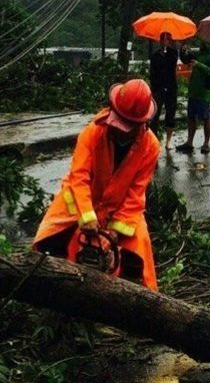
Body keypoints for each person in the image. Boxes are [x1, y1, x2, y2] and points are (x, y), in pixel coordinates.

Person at [33, 79, 161, 291]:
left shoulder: (150, 146)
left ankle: (131, 296)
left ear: (141, 124)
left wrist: (114, 231)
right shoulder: (93, 133)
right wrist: (87, 216)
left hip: (120, 209)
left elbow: (136, 193)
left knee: (136, 256)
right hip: (79, 199)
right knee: (51, 241)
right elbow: (79, 176)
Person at [175, 40, 210, 154]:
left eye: (203, 42)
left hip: (204, 92)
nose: (200, 44)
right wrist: (182, 50)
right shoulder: (198, 54)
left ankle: (206, 143)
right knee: (191, 116)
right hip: (193, 91)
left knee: (206, 117)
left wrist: (199, 65)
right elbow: (186, 60)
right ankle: (189, 142)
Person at [150, 32, 178, 150]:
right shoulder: (155, 56)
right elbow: (153, 73)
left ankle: (168, 140)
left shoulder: (173, 54)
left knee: (170, 113)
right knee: (154, 115)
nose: (164, 42)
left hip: (171, 87)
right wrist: (154, 89)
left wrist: (168, 52)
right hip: (158, 88)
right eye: (162, 39)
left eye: (166, 39)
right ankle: (154, 140)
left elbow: (173, 65)